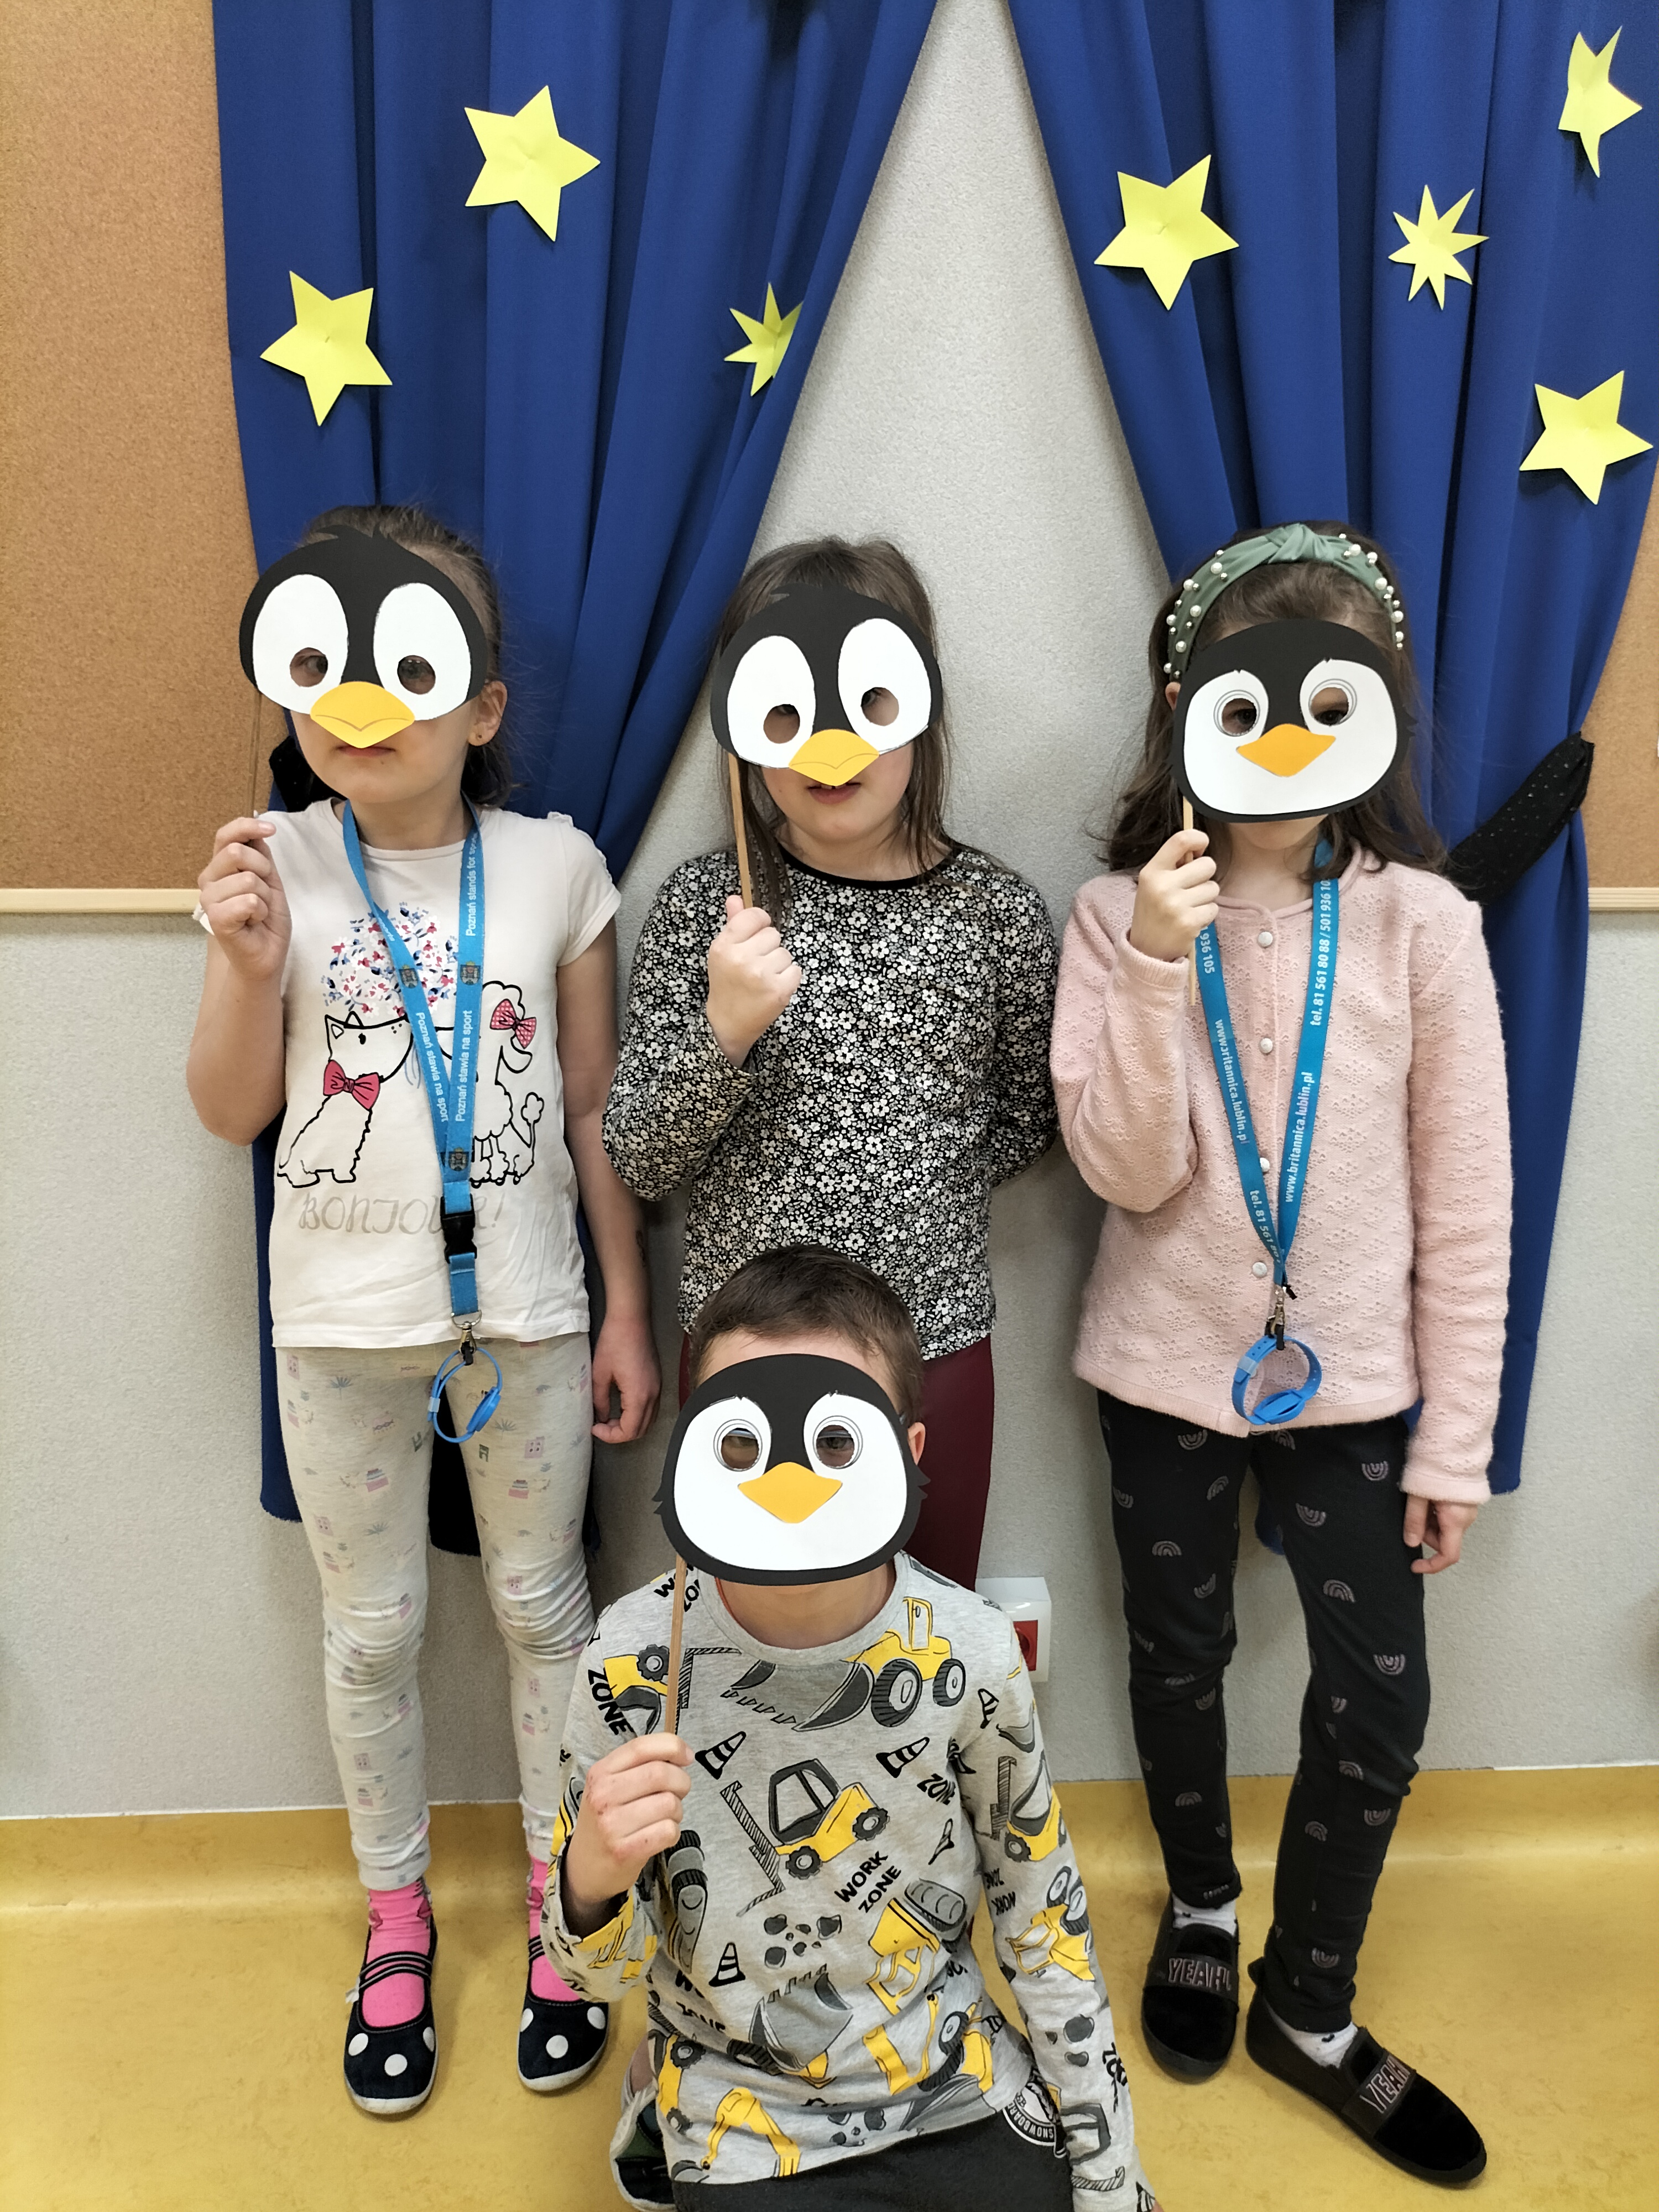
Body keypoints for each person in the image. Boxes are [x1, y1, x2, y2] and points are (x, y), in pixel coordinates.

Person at [187, 503, 660, 2115]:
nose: (360, 702)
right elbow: (230, 1112)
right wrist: (245, 963)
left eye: (405, 664)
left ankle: (559, 1906)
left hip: (526, 1316)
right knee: (375, 1632)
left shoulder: (557, 867)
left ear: (481, 703)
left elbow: (591, 1109)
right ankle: (396, 1920)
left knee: (544, 1613)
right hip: (341, 1330)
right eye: (323, 664)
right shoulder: (271, 864)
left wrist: (624, 1309)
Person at [1052, 521, 1507, 2186]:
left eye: (1333, 706)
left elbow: (1469, 1203)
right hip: (1163, 1372)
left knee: (1379, 1697)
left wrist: (1455, 1440)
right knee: (1178, 1657)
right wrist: (1155, 962)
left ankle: (1309, 2005)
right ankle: (1200, 1906)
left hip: (1359, 1392)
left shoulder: (1422, 926)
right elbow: (1129, 1171)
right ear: (1187, 718)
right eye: (1254, 709)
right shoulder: (1115, 918)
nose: (1293, 745)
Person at [542, 1245, 1159, 2211]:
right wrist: (590, 1881)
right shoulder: (630, 1663)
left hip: (946, 2069)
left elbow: (1045, 1920)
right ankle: (658, 2103)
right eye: (740, 1447)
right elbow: (591, 1974)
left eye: (836, 1444)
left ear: (907, 1453)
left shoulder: (969, 1653)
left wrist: (1109, 2171)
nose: (788, 1481)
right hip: (739, 2094)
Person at [602, 538, 1057, 1590]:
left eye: (867, 702)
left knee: (927, 1628)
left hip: (932, 1349)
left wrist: (909, 1189)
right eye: (785, 712)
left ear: (920, 707)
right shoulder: (703, 910)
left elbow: (1024, 1123)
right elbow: (640, 1159)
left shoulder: (996, 915)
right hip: (742, 1358)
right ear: (740, 727)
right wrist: (722, 1033)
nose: (830, 744)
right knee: (742, 1634)